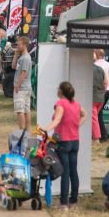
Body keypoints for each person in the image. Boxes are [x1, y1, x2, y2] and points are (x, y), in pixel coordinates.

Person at [45, 81, 86, 209]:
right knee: (73, 171)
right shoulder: (76, 104)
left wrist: (47, 129)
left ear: (61, 91)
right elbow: (85, 114)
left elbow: (57, 119)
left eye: (58, 88)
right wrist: (77, 124)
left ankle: (63, 203)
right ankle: (73, 200)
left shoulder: (61, 104)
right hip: (75, 141)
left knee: (65, 172)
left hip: (63, 141)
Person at [93, 49, 109, 137]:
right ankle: (101, 134)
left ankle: (102, 135)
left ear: (96, 54)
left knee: (97, 114)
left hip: (99, 91)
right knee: (99, 113)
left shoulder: (95, 65)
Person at [13, 36, 33, 130]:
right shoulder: (22, 57)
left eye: (19, 44)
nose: (17, 46)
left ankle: (22, 131)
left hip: (22, 88)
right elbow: (13, 66)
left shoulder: (25, 58)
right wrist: (16, 54)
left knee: (20, 110)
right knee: (26, 110)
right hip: (25, 87)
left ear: (24, 45)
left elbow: (24, 73)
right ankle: (27, 130)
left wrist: (17, 85)